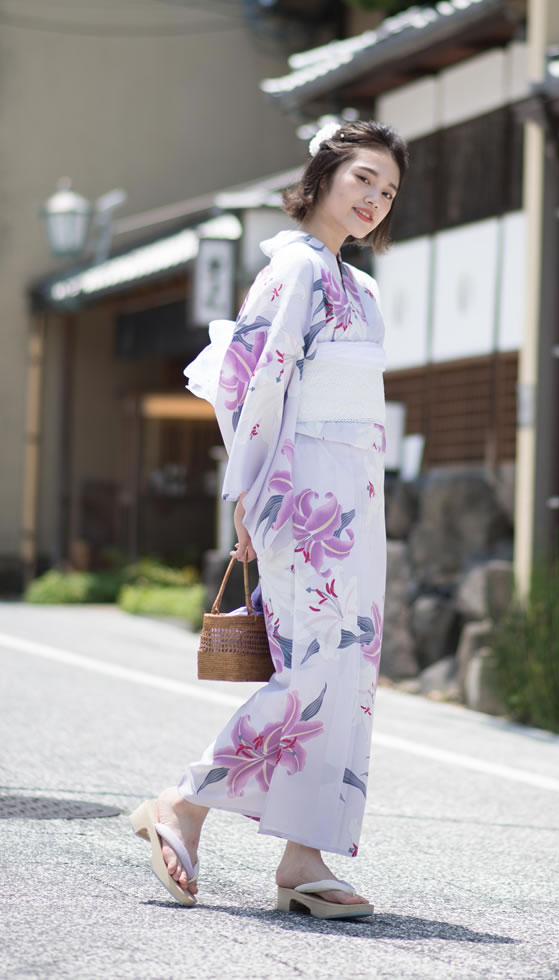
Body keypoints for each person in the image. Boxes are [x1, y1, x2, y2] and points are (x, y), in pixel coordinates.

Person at [130, 119, 409, 919]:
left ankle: (305, 855)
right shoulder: (292, 270)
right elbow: (252, 389)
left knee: (349, 677)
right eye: (363, 178)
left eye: (388, 191)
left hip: (356, 497)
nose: (374, 199)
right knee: (312, 674)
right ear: (321, 176)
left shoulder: (362, 289)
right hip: (303, 499)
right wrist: (247, 499)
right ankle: (183, 804)